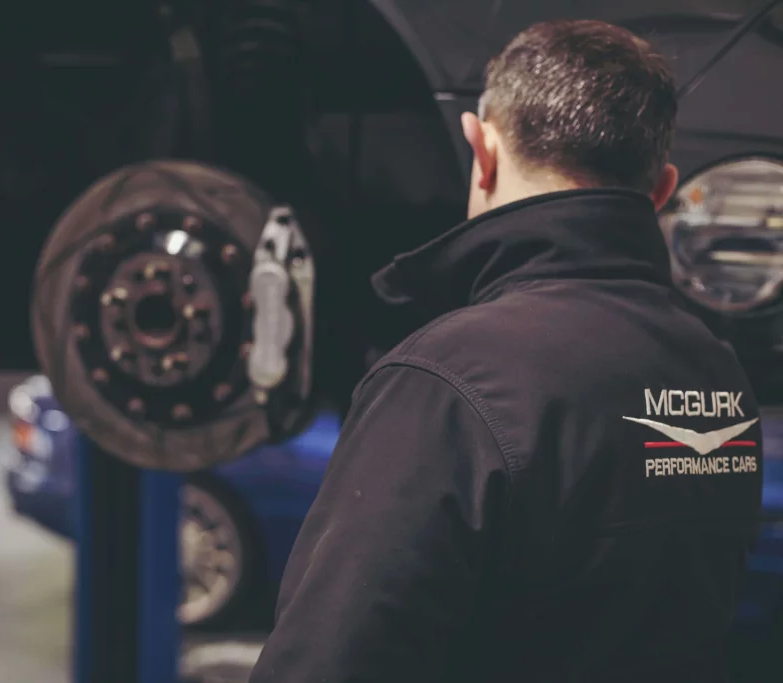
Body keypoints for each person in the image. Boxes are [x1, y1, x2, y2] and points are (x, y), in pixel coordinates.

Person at [248, 19, 765, 683]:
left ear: (480, 148)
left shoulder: (450, 378)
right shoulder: (715, 370)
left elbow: (330, 660)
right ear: (661, 189)